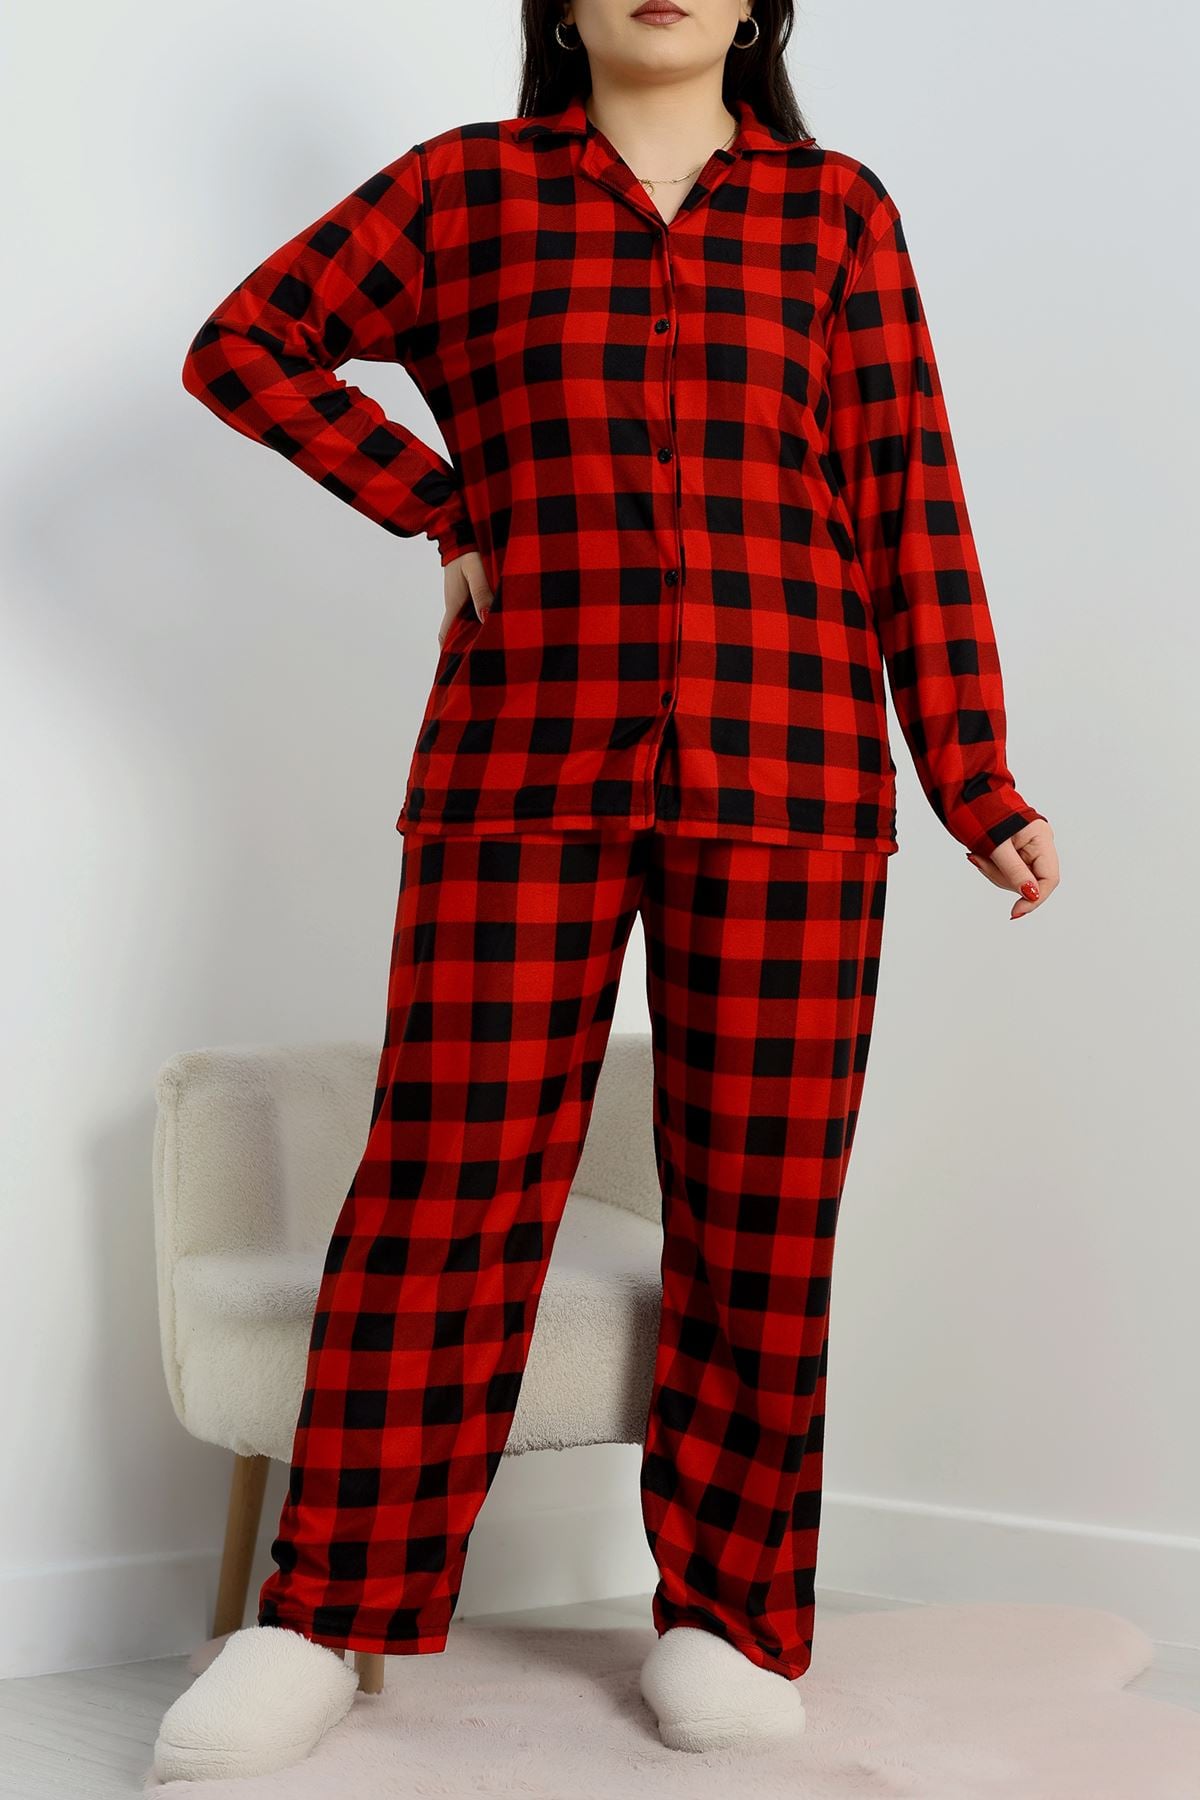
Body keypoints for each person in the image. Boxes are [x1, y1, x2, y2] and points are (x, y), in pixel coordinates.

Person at [156, 0, 1059, 1777]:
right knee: (445, 1188)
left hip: (791, 774)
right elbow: (244, 346)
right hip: (518, 764)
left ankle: (729, 1619)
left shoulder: (835, 215)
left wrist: (973, 776)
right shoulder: (461, 194)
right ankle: (324, 1615)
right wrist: (439, 501)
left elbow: (909, 500)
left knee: (762, 1213)